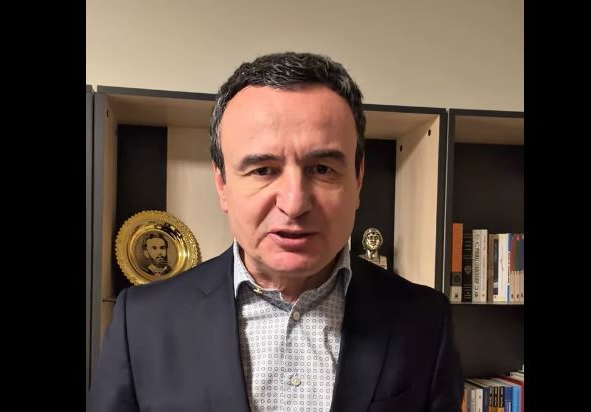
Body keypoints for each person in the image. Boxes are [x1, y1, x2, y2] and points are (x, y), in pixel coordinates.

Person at [88, 52, 463, 412]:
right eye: (263, 170)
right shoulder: (142, 321)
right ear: (222, 184)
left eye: (322, 169)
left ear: (358, 178)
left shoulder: (425, 321)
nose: (295, 203)